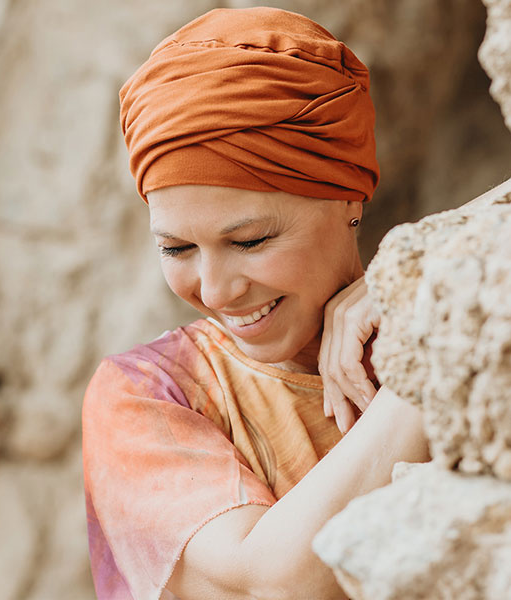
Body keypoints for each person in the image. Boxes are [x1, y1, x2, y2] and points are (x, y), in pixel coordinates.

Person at [83, 7, 430, 600]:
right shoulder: (146, 395)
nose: (215, 291)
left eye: (249, 241)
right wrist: (430, 366)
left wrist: (432, 259)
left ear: (349, 196)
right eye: (177, 248)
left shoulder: (439, 301)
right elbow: (270, 581)